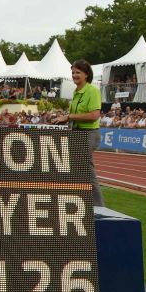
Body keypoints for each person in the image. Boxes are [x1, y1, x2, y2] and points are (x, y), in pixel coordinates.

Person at [53, 59, 104, 207]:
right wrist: (63, 119)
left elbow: (94, 115)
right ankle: (80, 201)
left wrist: (69, 116)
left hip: (89, 133)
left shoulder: (92, 90)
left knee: (86, 170)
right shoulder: (76, 91)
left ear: (86, 75)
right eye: (73, 72)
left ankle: (99, 206)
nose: (74, 75)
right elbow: (75, 115)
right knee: (75, 169)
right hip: (77, 132)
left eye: (78, 72)